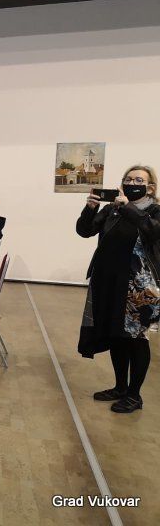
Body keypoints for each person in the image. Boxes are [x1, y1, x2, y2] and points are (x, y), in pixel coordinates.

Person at [77, 165, 160, 414]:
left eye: (139, 180)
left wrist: (128, 208)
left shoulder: (155, 211)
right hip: (109, 281)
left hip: (139, 287)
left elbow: (152, 232)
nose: (132, 183)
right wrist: (90, 208)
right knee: (116, 336)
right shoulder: (112, 209)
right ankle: (120, 387)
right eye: (128, 179)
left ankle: (134, 395)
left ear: (150, 187)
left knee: (135, 339)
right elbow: (84, 231)